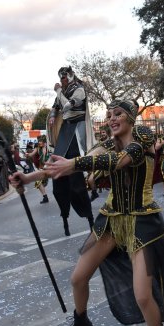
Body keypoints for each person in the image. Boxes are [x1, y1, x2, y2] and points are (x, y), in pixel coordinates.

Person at [11, 100, 164, 326]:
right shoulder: (107, 143)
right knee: (78, 278)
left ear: (130, 118)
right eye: (108, 115)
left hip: (143, 222)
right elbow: (81, 160)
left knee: (142, 295)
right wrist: (29, 178)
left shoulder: (144, 137)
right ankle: (82, 323)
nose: (111, 119)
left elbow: (118, 162)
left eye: (117, 114)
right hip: (111, 221)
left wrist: (72, 166)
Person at [48, 66, 95, 236]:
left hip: (77, 129)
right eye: (61, 79)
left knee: (77, 183)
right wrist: (53, 115)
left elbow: (67, 106)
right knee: (58, 182)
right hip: (65, 131)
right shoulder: (65, 89)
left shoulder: (78, 90)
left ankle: (90, 219)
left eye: (65, 78)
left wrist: (59, 92)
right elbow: (57, 106)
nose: (63, 81)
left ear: (71, 76)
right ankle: (65, 217)